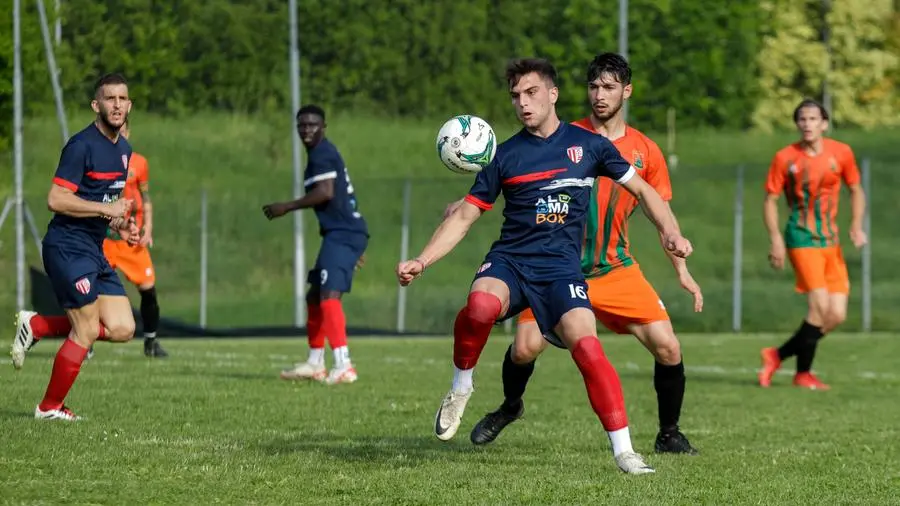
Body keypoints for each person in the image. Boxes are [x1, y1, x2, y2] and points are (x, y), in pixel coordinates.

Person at [396, 58, 692, 474]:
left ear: (552, 94)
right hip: (511, 262)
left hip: (561, 271)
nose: (523, 103)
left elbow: (643, 190)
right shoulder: (504, 155)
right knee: (480, 308)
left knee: (588, 348)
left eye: (531, 93)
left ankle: (625, 451)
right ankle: (461, 386)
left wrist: (669, 233)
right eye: (515, 96)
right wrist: (422, 259)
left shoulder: (589, 146)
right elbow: (465, 216)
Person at [9, 73, 141, 421]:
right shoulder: (81, 145)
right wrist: (105, 209)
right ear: (96, 105)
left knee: (123, 327)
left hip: (93, 250)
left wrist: (122, 226)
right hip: (66, 247)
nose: (116, 105)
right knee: (85, 329)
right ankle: (49, 408)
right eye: (109, 99)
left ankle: (38, 326)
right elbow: (56, 199)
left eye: (122, 99)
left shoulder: (124, 152)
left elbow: (105, 205)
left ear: (129, 105)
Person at [758, 99, 867, 390]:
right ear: (797, 124)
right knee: (818, 308)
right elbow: (770, 199)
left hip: (831, 241)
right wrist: (776, 240)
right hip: (801, 238)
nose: (807, 124)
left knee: (837, 315)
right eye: (802, 119)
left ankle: (778, 356)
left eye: (813, 119)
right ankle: (803, 373)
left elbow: (856, 189)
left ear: (824, 123)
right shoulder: (785, 157)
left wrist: (856, 224)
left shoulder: (841, 152)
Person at [263, 105, 367, 385]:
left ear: (324, 126)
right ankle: (315, 362)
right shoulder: (321, 154)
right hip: (340, 234)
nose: (306, 130)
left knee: (329, 296)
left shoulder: (322, 154)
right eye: (301, 125)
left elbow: (326, 192)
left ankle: (344, 365)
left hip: (343, 234)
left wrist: (287, 206)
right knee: (314, 296)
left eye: (312, 124)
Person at [102, 120, 167, 358]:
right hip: (106, 239)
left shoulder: (139, 163)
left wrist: (148, 227)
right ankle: (84, 342)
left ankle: (150, 342)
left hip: (131, 238)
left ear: (128, 132)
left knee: (148, 290)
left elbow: (145, 198)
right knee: (92, 293)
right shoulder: (99, 161)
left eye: (122, 130)